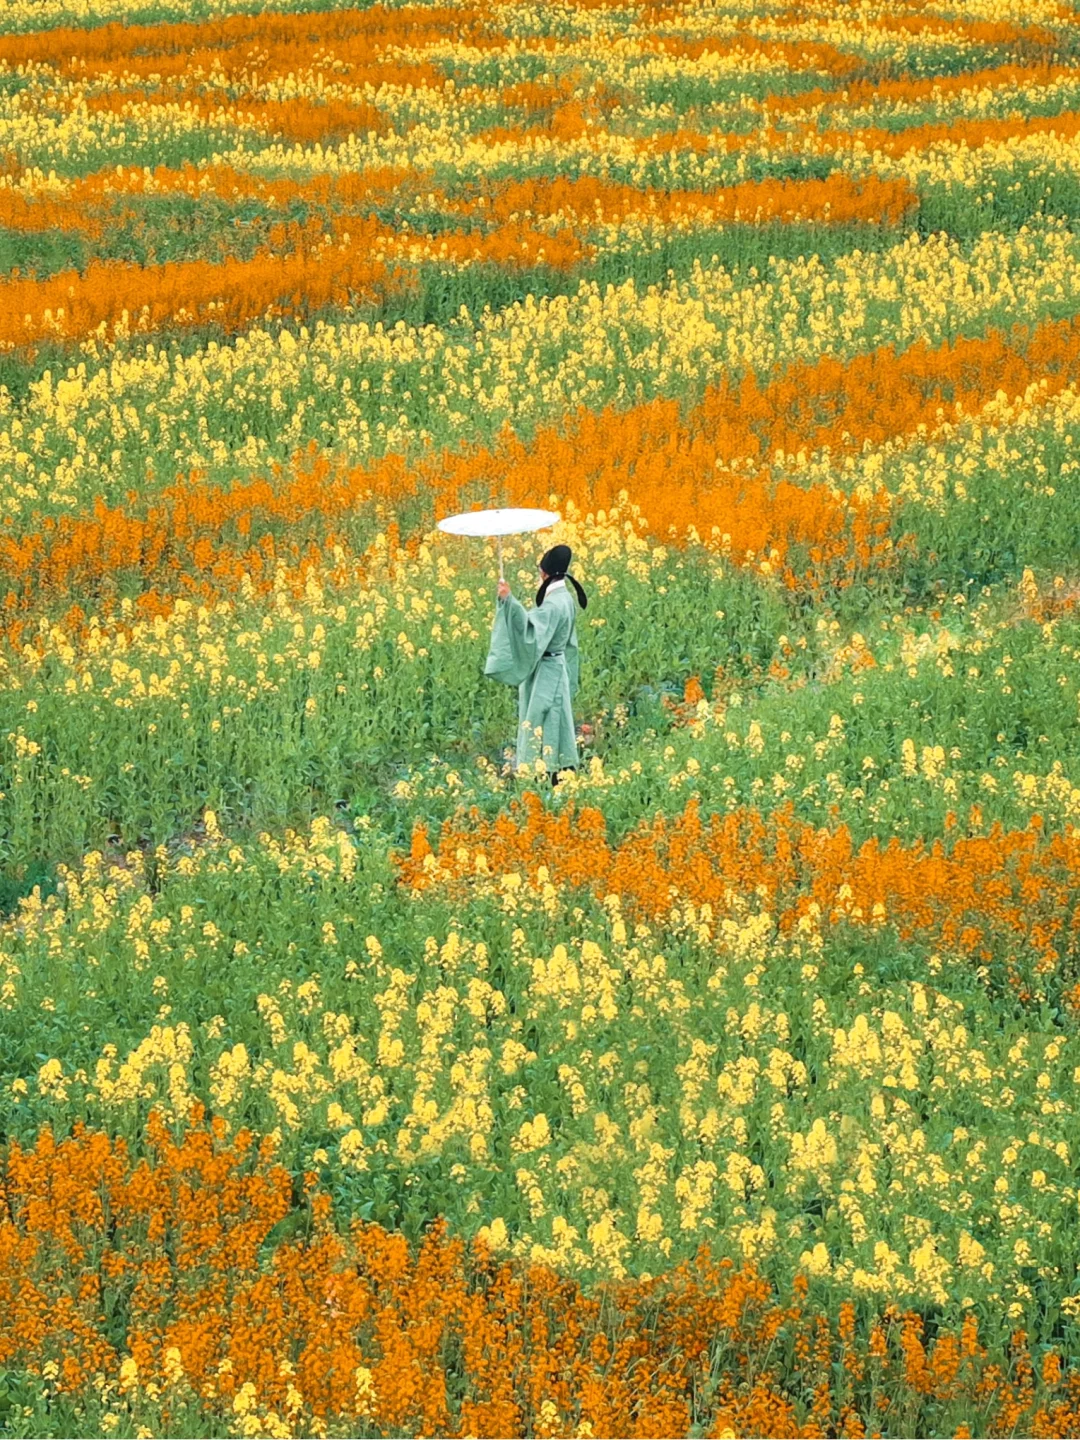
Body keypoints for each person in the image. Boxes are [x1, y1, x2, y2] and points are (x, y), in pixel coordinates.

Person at [484, 542, 588, 785]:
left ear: (544, 572)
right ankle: (559, 769)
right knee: (556, 718)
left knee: (543, 718)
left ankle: (546, 773)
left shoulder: (553, 604)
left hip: (546, 672)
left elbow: (529, 631)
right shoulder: (565, 597)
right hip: (557, 666)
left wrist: (508, 601)